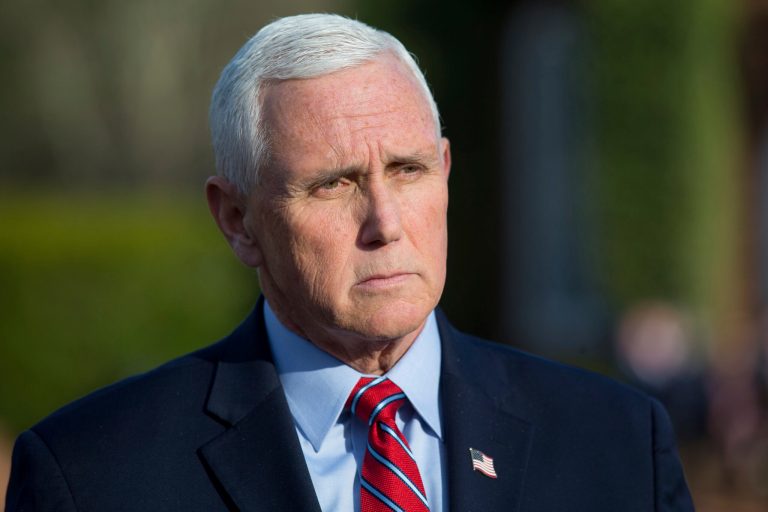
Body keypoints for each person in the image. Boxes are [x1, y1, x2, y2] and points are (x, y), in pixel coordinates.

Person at [6, 13, 694, 512]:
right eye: (333, 184)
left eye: (408, 169)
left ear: (446, 173)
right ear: (238, 219)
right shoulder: (91, 475)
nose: (385, 223)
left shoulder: (618, 444)